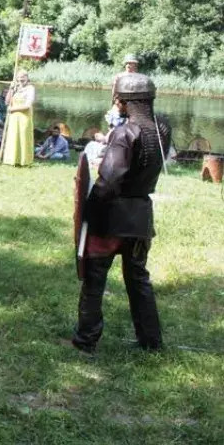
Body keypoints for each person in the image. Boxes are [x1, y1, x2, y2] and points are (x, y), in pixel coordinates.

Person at [71, 73, 171, 355]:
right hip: (140, 218)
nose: (117, 103)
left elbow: (109, 180)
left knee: (95, 280)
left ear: (127, 101)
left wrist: (89, 209)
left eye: (119, 99)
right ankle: (151, 342)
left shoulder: (126, 133)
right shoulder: (161, 129)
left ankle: (85, 340)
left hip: (111, 220)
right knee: (138, 280)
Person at [0, 70, 36, 166]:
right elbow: (7, 102)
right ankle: (12, 160)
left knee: (23, 138)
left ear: (27, 77)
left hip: (24, 117)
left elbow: (28, 105)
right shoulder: (15, 88)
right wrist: (11, 89)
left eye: (23, 77)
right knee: (13, 138)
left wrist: (13, 109)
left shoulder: (30, 88)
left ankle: (24, 161)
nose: (21, 79)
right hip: (14, 119)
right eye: (19, 77)